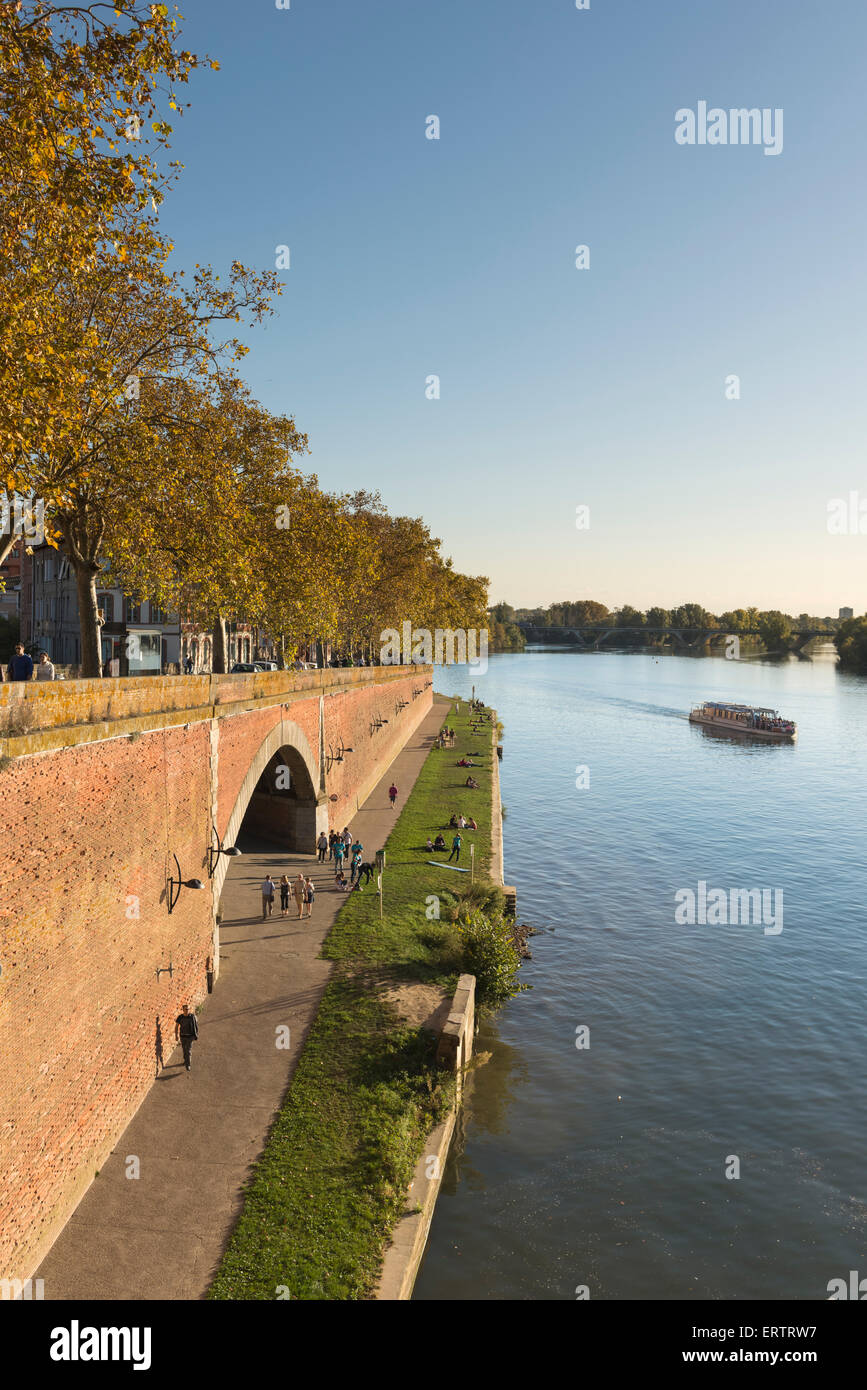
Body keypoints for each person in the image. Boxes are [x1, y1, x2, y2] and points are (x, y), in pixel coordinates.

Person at [175, 1003, 198, 1073]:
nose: (187, 1010)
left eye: (188, 1009)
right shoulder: (180, 1017)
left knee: (188, 1050)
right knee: (184, 1050)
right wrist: (176, 1035)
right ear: (183, 1010)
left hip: (190, 1037)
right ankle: (185, 1060)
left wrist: (195, 1035)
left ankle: (188, 1065)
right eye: (186, 1009)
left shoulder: (192, 1017)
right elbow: (176, 1026)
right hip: (182, 1036)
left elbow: (195, 1025)